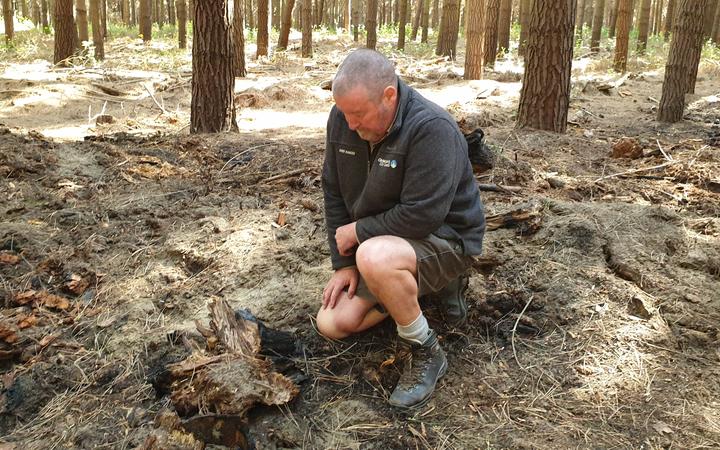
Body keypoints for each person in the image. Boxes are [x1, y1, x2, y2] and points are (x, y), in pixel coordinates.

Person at [316, 49, 486, 409]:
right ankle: (409, 291)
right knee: (332, 322)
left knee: (375, 257)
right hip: (383, 243)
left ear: (389, 95)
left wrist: (358, 234)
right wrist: (343, 265)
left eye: (358, 114)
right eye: (344, 113)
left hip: (446, 239)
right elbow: (333, 189)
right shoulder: (342, 119)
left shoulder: (431, 129)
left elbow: (423, 216)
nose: (349, 125)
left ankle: (425, 349)